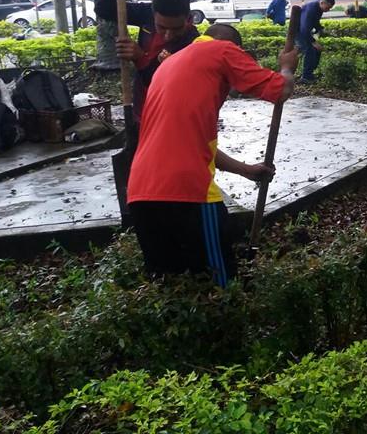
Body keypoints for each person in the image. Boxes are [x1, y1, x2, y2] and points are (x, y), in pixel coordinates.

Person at [127, 23, 298, 286]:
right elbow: (281, 90)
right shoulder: (222, 50)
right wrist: (287, 67)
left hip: (141, 193)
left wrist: (245, 170)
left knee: (170, 288)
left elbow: (189, 144)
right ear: (235, 47)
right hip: (188, 192)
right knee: (220, 284)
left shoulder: (169, 65)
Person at [95, 0, 199, 121]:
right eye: (161, 27)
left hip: (172, 115)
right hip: (141, 110)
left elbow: (167, 82)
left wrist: (140, 58)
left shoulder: (194, 43)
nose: (168, 35)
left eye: (176, 29)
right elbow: (105, 9)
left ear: (189, 19)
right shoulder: (146, 14)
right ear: (153, 14)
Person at [297, 0, 335, 83]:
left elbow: (315, 22)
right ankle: (306, 76)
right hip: (298, 32)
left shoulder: (319, 9)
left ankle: (310, 73)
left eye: (330, 8)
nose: (328, 10)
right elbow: (304, 28)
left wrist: (321, 29)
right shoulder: (311, 9)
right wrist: (313, 42)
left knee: (317, 50)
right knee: (310, 50)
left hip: (305, 31)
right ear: (322, 3)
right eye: (328, 7)